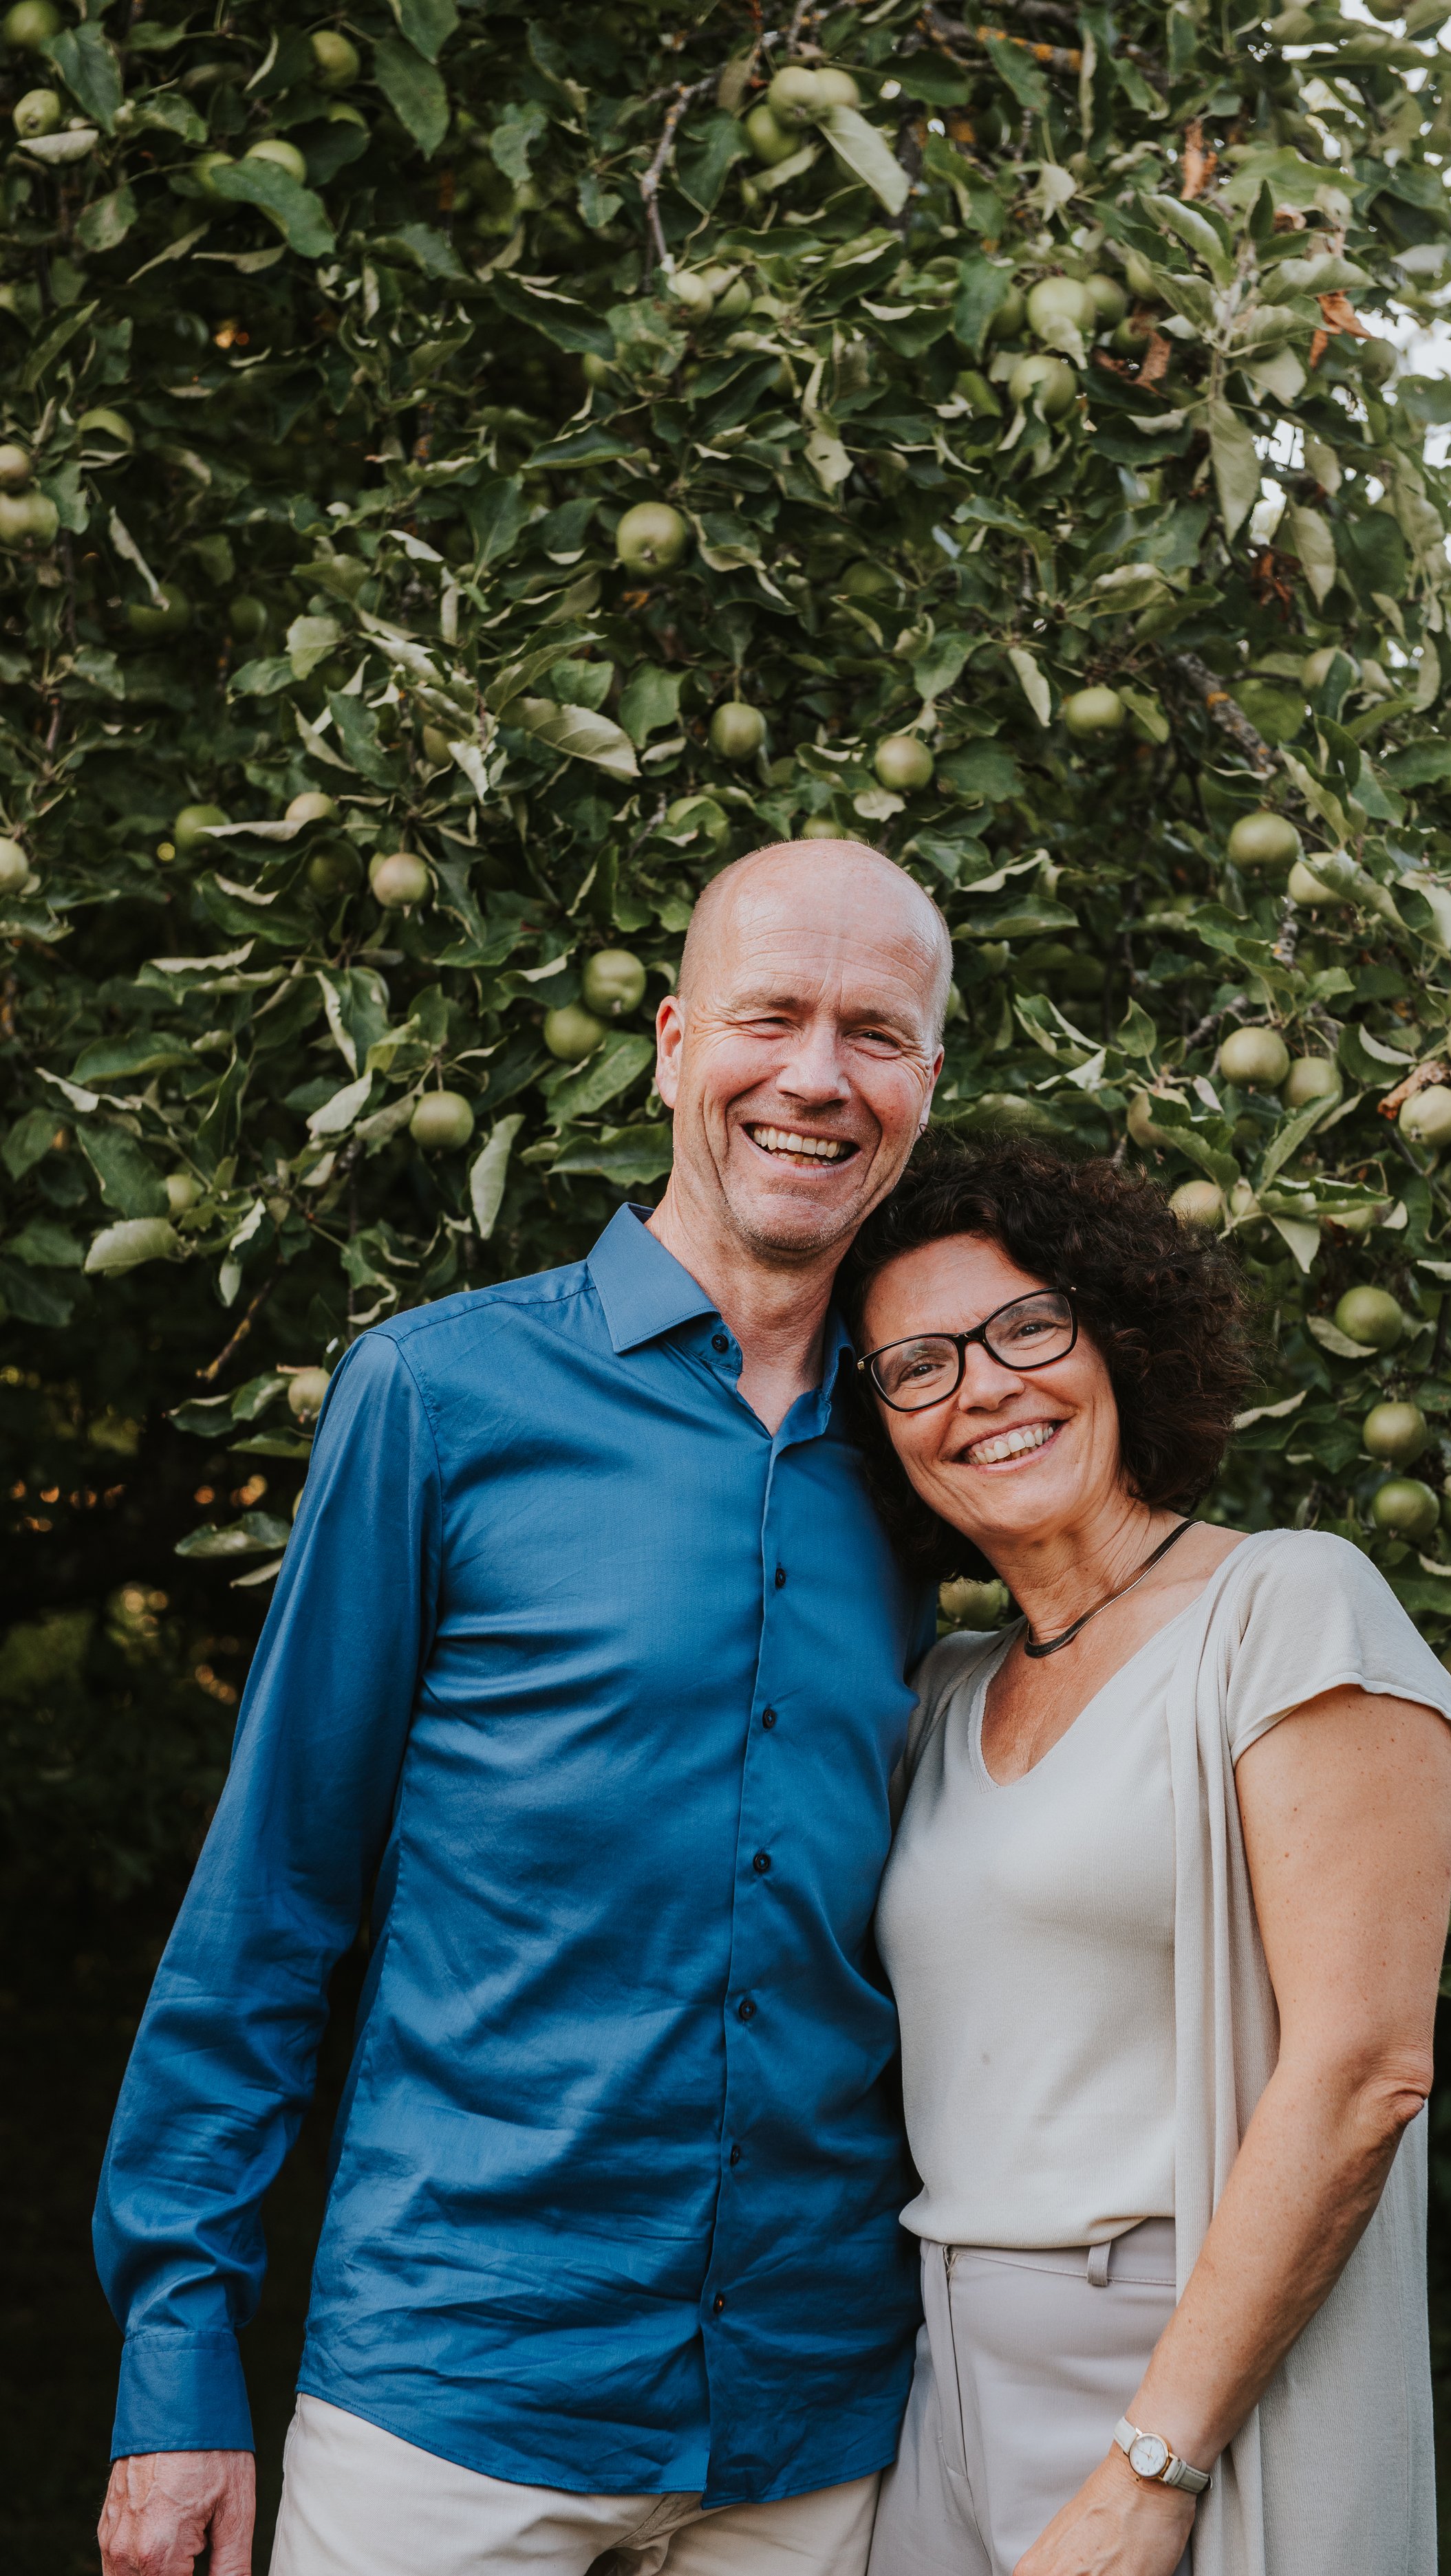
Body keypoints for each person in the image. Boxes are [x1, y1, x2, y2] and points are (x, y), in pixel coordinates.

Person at [94, 838, 954, 2576]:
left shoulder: (933, 1445)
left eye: (874, 1031)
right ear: (665, 1042)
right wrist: (177, 2356)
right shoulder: (441, 1392)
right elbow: (271, 1896)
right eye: (767, 1016)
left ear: (926, 1081)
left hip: (810, 2412)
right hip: (456, 2389)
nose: (814, 1075)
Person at [839, 1137, 1451, 2576]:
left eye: (1023, 1326)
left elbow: (1362, 2071)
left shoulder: (1289, 1604)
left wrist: (1153, 2464)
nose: (983, 1389)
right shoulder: (939, 1687)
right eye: (916, 1366)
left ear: (1114, 1332)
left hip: (1184, 2376)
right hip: (939, 2374)